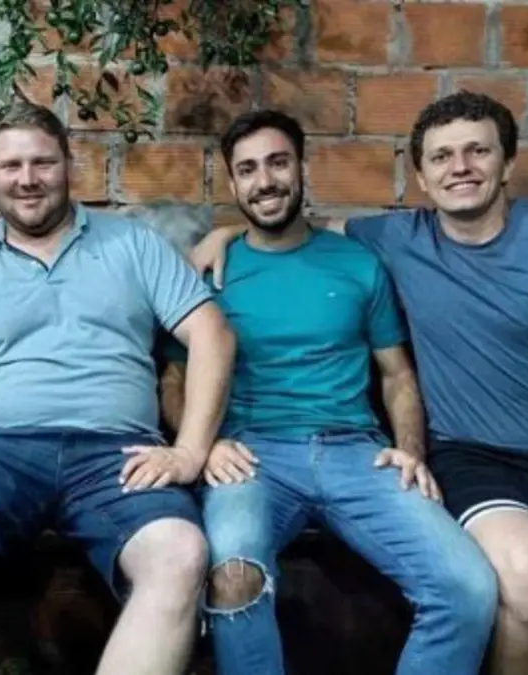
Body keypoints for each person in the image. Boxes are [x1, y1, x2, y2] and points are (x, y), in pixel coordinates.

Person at [190, 91, 528, 675]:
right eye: (442, 157)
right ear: (421, 178)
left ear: (508, 162)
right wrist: (224, 235)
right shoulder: (393, 238)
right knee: (526, 572)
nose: (460, 167)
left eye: (478, 151)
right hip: (467, 459)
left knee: (477, 585)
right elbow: (282, 228)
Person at [0, 101, 237, 675]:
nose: (27, 179)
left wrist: (189, 452)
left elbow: (213, 335)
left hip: (117, 454)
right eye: (11, 166)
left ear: (69, 165)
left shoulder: (132, 244)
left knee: (180, 552)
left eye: (42, 163)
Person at [161, 109, 499, 675]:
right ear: (233, 184)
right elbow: (173, 380)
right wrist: (204, 445)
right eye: (247, 169)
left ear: (301, 167)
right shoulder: (208, 272)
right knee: (233, 575)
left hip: (356, 453)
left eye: (277, 162)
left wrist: (410, 451)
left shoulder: (358, 263)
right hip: (250, 456)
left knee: (469, 587)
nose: (265, 180)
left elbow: (397, 375)